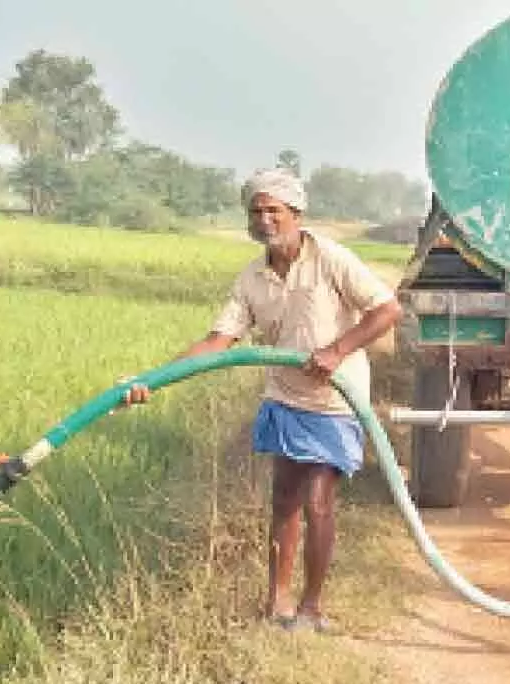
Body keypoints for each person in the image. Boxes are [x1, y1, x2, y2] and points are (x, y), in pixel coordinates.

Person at [122, 167, 403, 632]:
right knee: (285, 500)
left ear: (296, 212)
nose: (264, 220)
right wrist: (151, 381)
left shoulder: (330, 258)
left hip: (335, 402)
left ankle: (312, 608)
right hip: (285, 398)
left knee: (319, 502)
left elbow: (387, 309)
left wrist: (336, 351)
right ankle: (278, 602)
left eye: (274, 210)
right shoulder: (252, 278)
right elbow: (218, 342)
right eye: (256, 212)